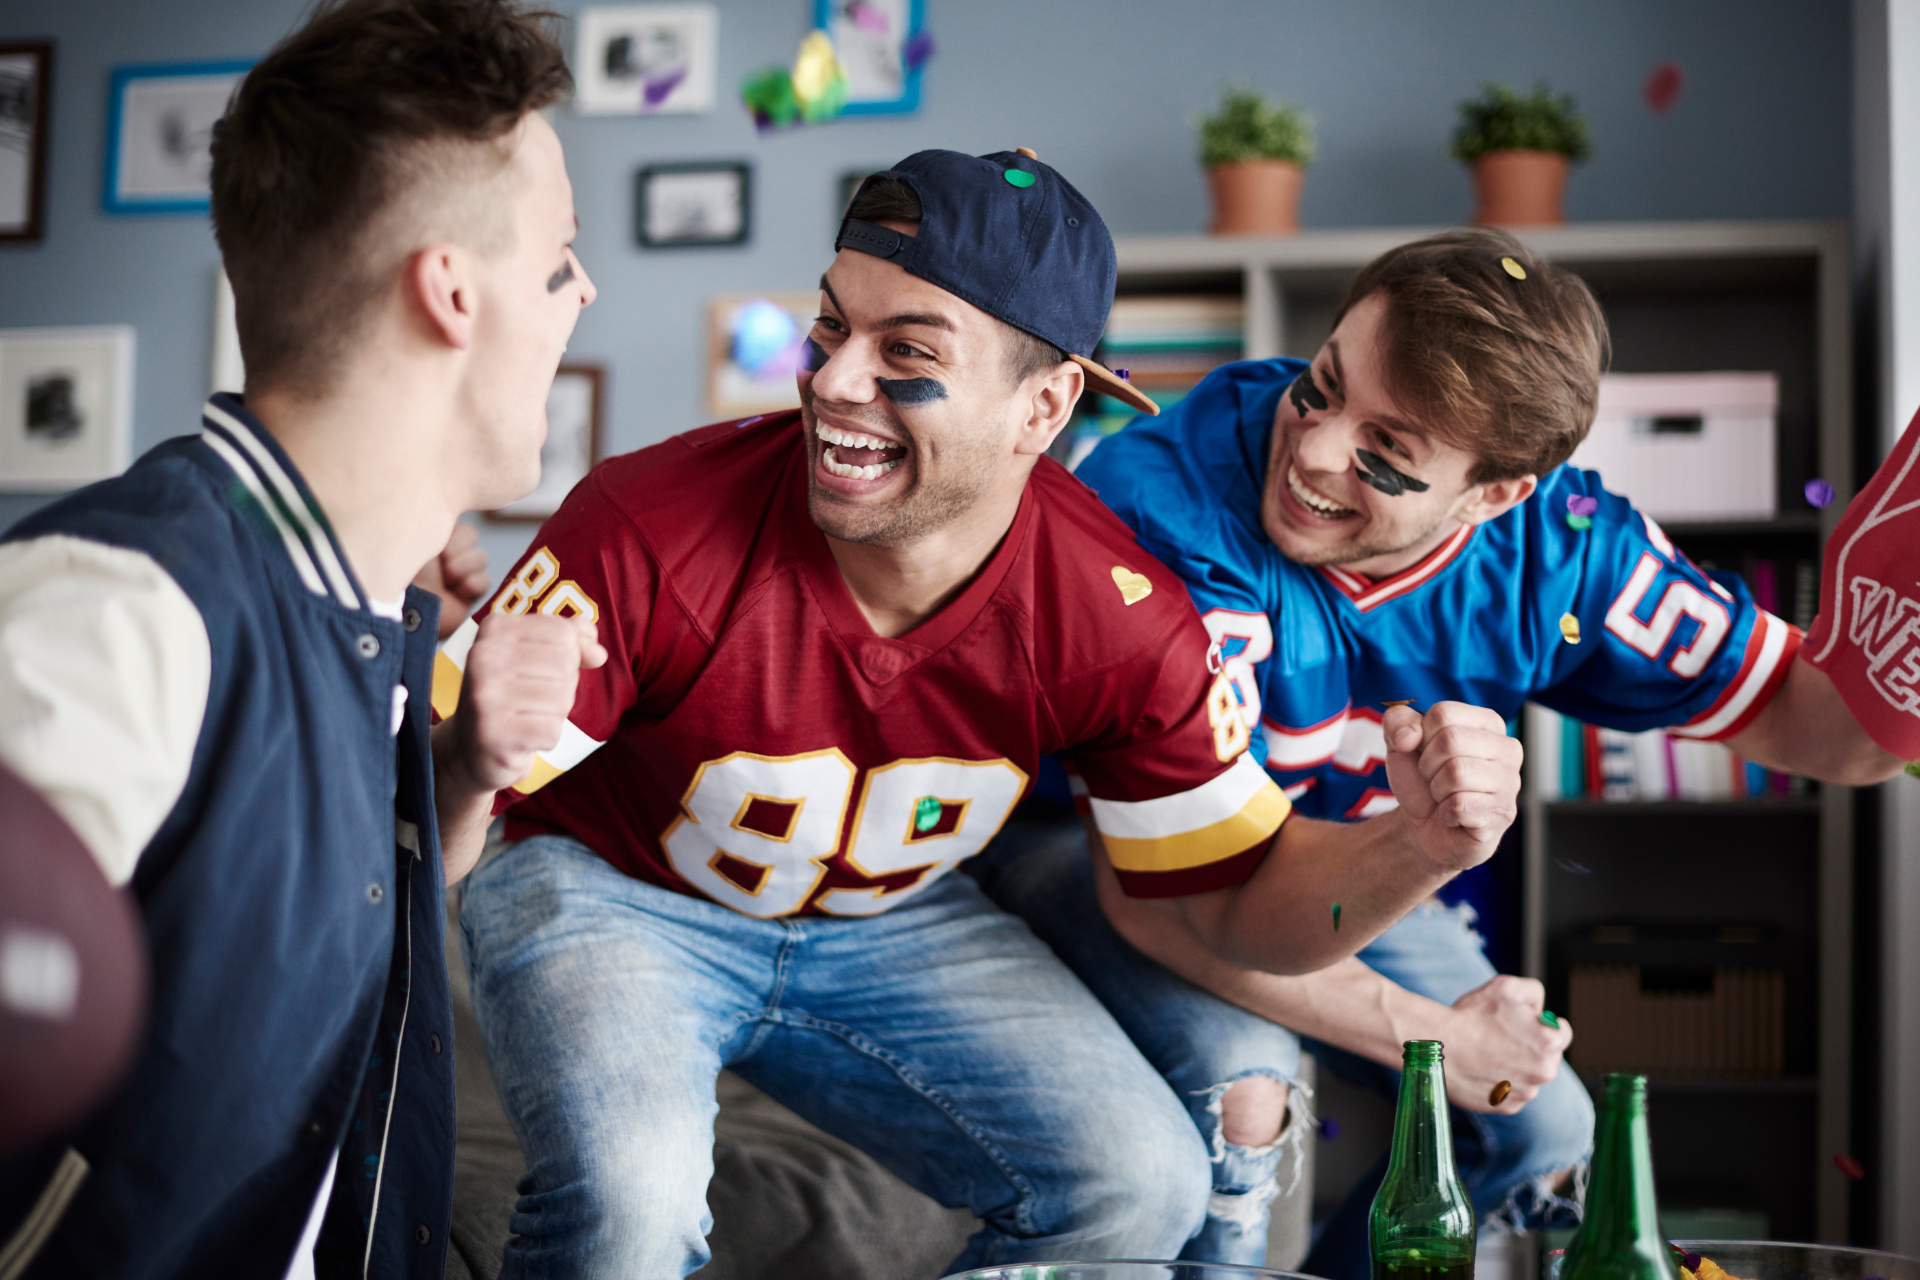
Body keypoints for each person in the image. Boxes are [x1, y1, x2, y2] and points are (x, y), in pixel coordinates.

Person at [436, 149, 1526, 1278]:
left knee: (1140, 1183)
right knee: (634, 1206)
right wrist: (467, 752)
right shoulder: (648, 520)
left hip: (886, 916)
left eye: (905, 350)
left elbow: (1229, 906)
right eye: (831, 327)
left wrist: (1422, 841)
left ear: (1045, 405)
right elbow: (406, 817)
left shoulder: (1119, 610)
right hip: (620, 886)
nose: (830, 380)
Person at [975, 226, 1905, 1275]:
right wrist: (1439, 1038)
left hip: (1335, 851)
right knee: (1246, 1085)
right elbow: (1171, 899)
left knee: (1550, 1124)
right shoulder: (1162, 502)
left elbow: (1827, 726)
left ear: (1500, 493)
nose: (1318, 451)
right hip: (1086, 841)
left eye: (1387, 453)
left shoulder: (1568, 547)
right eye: (1320, 388)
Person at [0, 1, 601, 1274]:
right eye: (559, 258)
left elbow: (327, 935)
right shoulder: (125, 608)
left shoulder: (368, 614)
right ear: (450, 291)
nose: (584, 293)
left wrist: (457, 772)